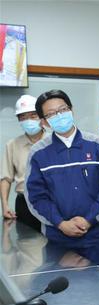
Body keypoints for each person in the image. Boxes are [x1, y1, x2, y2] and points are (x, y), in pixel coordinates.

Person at [24, 89, 99, 273]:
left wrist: (89, 220)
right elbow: (36, 197)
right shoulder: (38, 153)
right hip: (59, 240)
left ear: (71, 110)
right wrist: (61, 223)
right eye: (51, 114)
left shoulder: (97, 145)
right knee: (64, 296)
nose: (59, 116)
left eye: (62, 109)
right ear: (43, 122)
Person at [1, 95, 47, 232]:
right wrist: (4, 205)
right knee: (27, 246)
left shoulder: (53, 141)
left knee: (56, 245)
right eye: (23, 117)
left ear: (41, 116)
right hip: (24, 203)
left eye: (33, 115)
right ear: (19, 120)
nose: (28, 120)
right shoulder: (12, 145)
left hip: (53, 200)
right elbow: (5, 178)